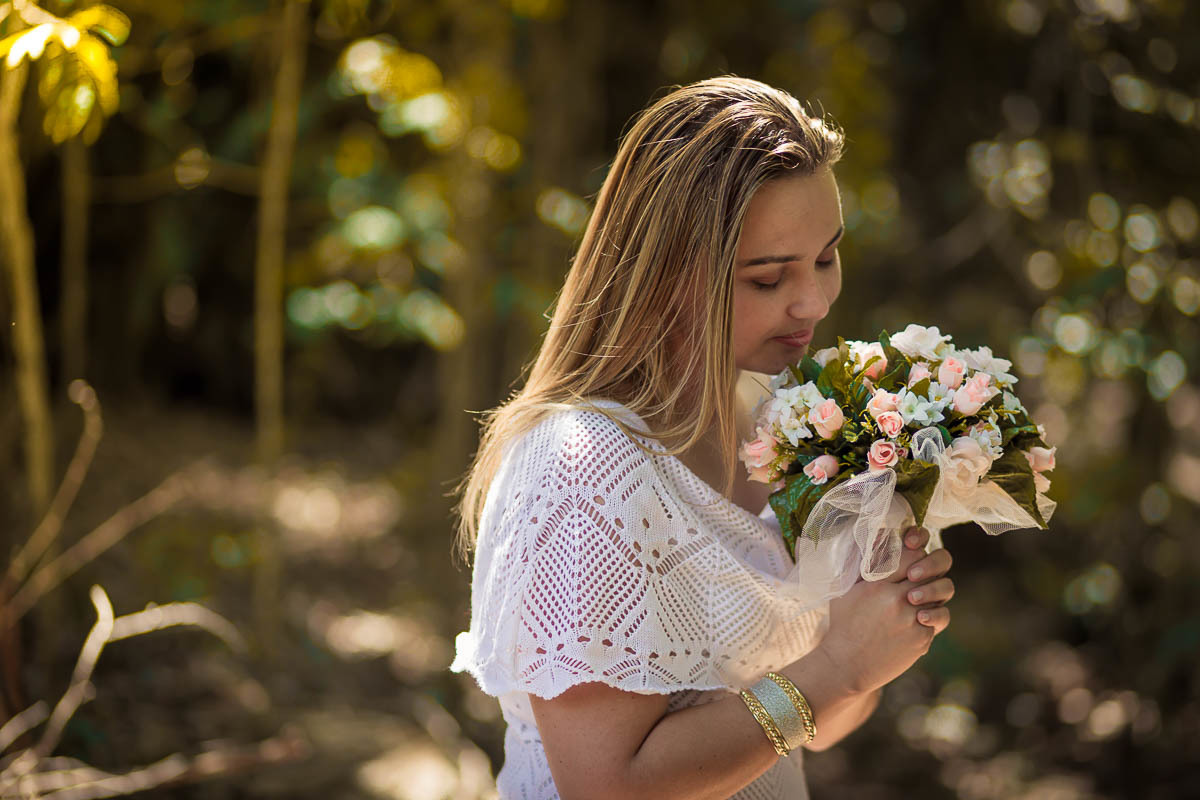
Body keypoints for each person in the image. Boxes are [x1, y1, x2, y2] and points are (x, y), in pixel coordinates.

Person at [450, 76, 955, 799]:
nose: (812, 301)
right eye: (768, 277)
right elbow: (605, 785)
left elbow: (809, 730)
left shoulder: (794, 425)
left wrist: (877, 630)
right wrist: (835, 666)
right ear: (666, 275)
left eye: (825, 257)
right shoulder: (580, 468)